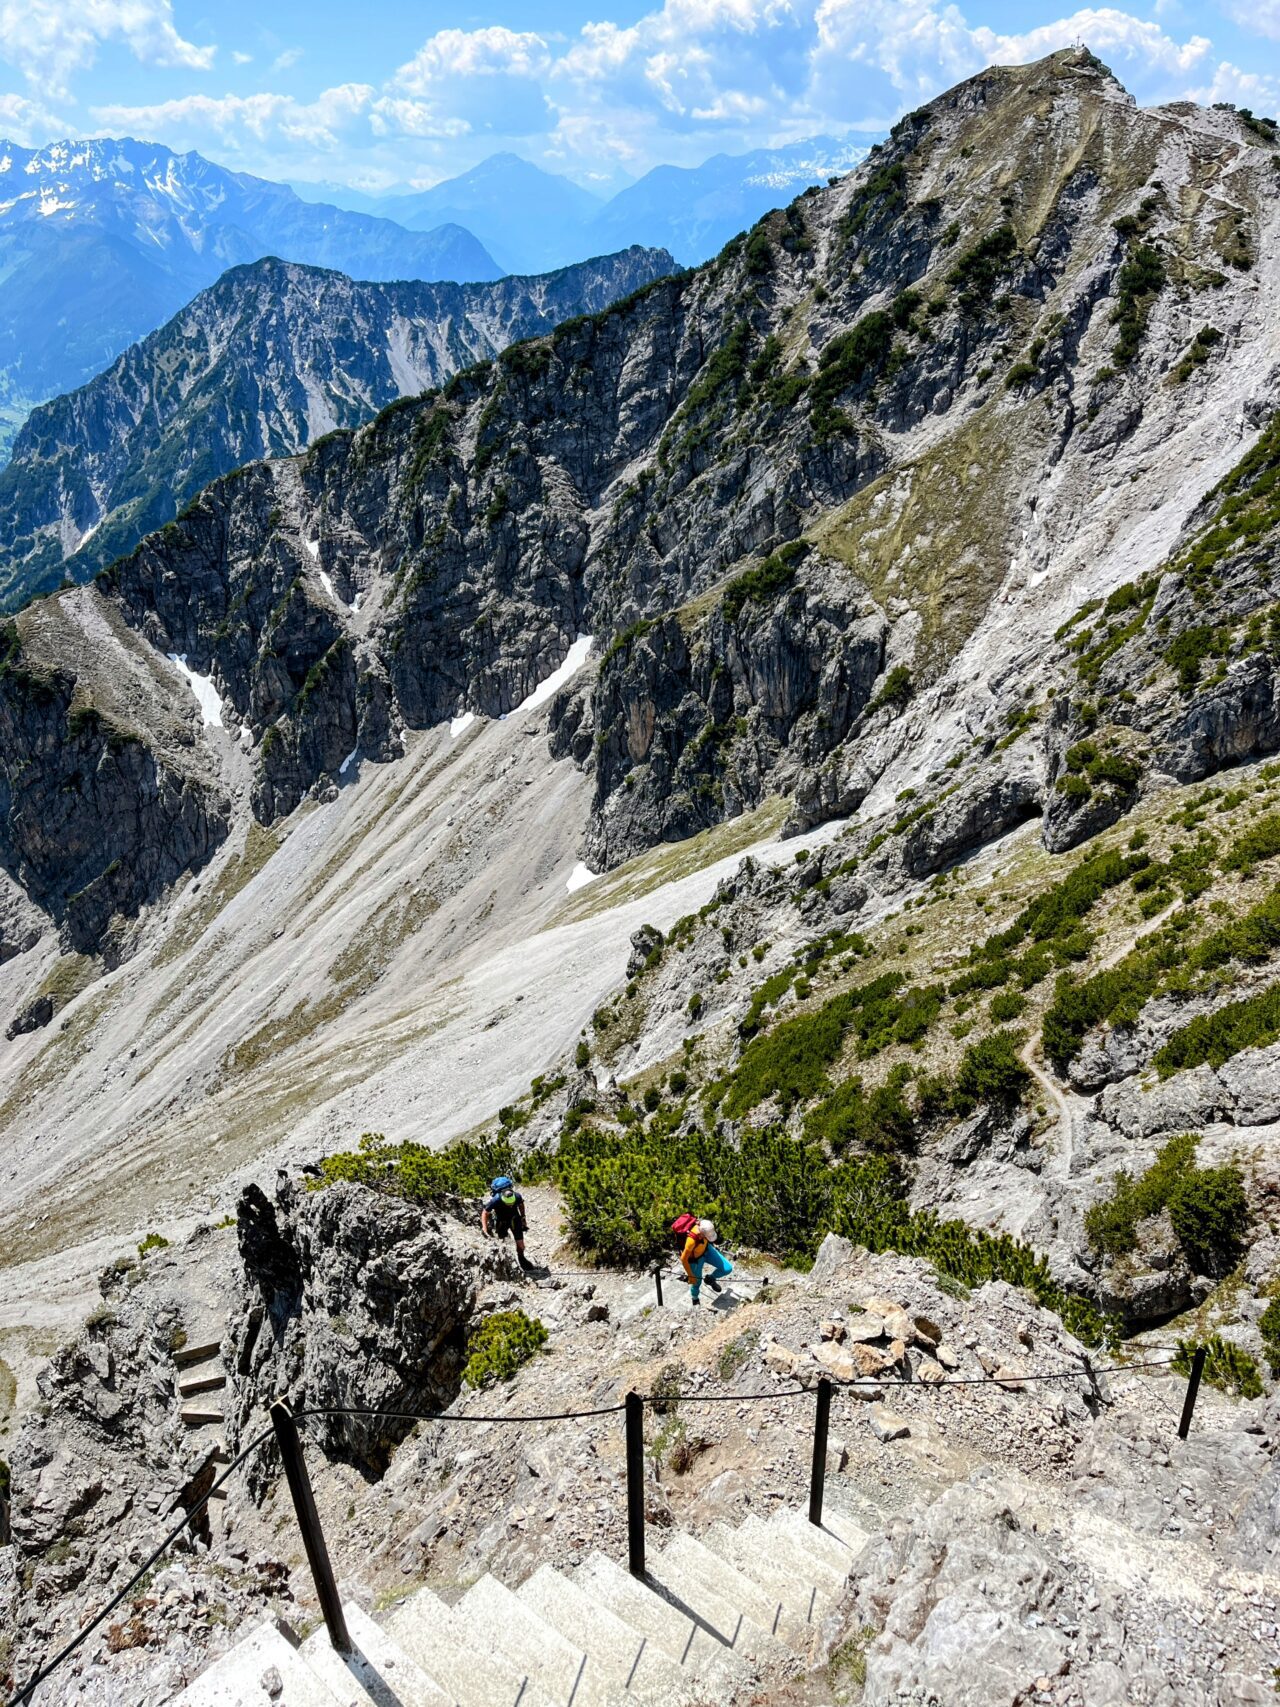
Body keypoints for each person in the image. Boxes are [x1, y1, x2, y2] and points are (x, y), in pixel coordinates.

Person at [482, 1176, 534, 1272]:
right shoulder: (496, 1200)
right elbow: (485, 1212)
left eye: (511, 1203)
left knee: (521, 1245)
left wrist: (523, 1218)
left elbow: (521, 1205)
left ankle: (521, 1258)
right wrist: (484, 1229)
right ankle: (506, 1261)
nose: (510, 1205)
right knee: (502, 1241)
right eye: (508, 1204)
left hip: (515, 1219)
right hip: (501, 1221)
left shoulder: (517, 1196)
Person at [679, 1215, 732, 1306]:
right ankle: (695, 1298)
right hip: (695, 1260)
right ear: (702, 1234)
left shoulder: (704, 1229)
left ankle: (710, 1279)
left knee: (727, 1268)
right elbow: (683, 1259)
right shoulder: (691, 1241)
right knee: (696, 1282)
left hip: (707, 1250)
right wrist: (690, 1275)